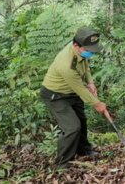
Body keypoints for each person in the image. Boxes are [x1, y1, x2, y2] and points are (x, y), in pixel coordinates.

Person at [39, 27, 107, 169]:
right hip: (55, 95)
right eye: (89, 49)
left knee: (81, 120)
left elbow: (85, 65)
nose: (92, 52)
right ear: (76, 46)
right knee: (72, 127)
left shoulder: (80, 51)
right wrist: (97, 103)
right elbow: (79, 88)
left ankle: (84, 150)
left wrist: (90, 81)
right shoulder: (66, 63)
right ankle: (61, 164)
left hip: (71, 92)